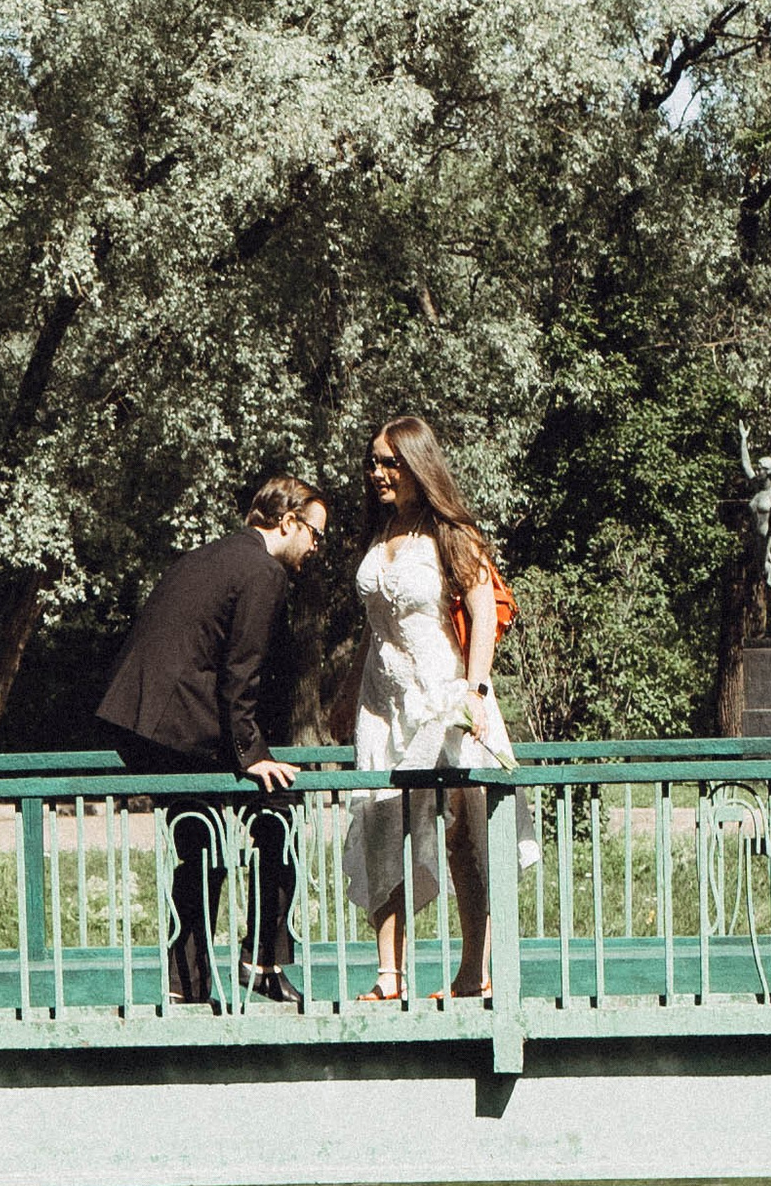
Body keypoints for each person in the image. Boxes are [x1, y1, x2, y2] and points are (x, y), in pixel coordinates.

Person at [95, 474, 327, 1004]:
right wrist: (251, 755)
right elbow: (240, 670)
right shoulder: (263, 570)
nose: (315, 547)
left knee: (201, 847)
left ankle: (190, 982)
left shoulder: (212, 555)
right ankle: (262, 962)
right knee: (278, 814)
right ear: (288, 522)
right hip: (176, 724)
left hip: (147, 721)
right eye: (314, 533)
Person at [343, 415, 510, 1004]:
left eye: (391, 462)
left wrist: (475, 689)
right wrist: (348, 697)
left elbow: (484, 610)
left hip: (445, 696)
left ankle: (473, 972)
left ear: (418, 466)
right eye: (373, 461)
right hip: (381, 703)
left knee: (467, 835)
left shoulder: (451, 532)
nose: (379, 472)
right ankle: (389, 975)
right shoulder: (378, 530)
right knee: (381, 824)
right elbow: (373, 625)